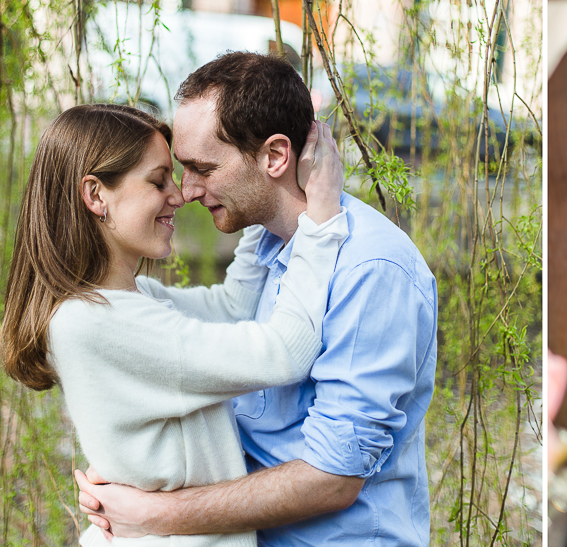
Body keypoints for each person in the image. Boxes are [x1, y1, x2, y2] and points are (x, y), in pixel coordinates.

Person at [76, 52, 438, 546]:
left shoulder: (371, 269)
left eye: (202, 168)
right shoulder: (270, 243)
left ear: (274, 157)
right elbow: (174, 319)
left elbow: (334, 478)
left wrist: (155, 513)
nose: (187, 191)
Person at [1, 102, 350, 547]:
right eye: (157, 180)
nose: (180, 194)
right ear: (96, 195)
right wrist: (321, 218)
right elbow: (286, 353)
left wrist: (260, 203)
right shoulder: (98, 323)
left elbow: (232, 308)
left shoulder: (124, 302)